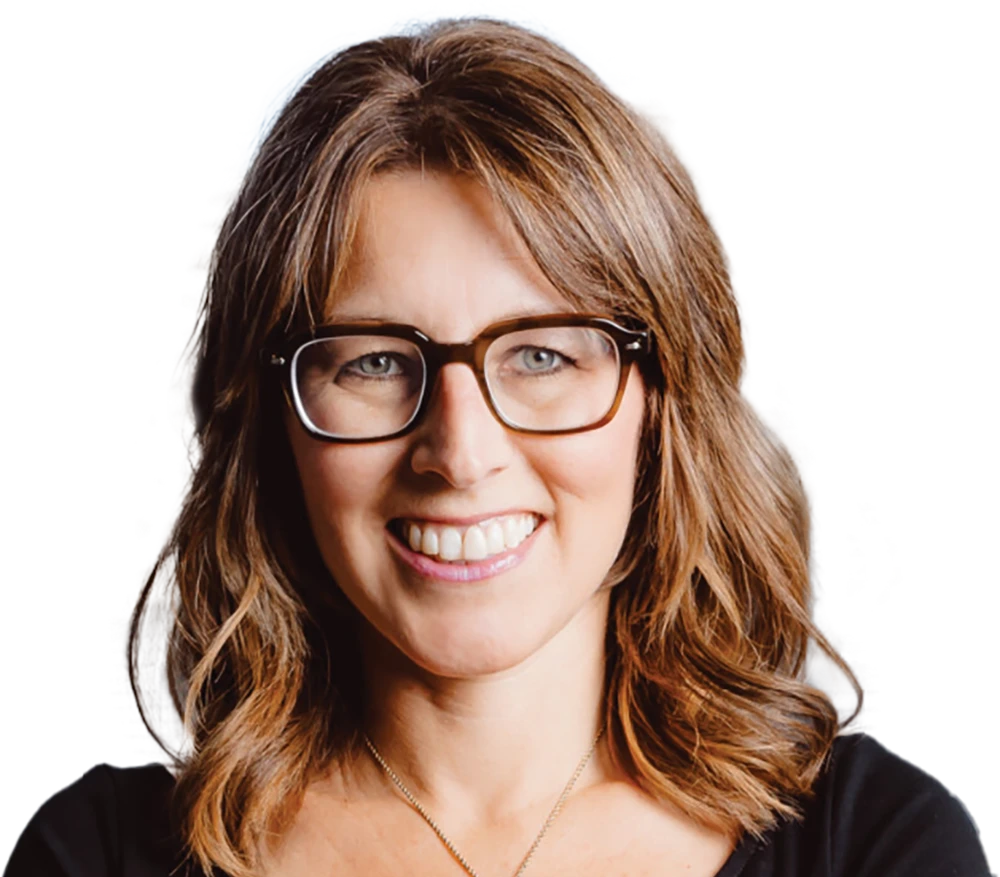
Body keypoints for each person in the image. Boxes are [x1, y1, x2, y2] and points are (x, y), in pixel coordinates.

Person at [4, 6, 990, 877]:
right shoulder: (98, 856)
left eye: (544, 356)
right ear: (270, 418)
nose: (461, 452)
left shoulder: (879, 849)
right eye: (374, 362)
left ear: (663, 403)